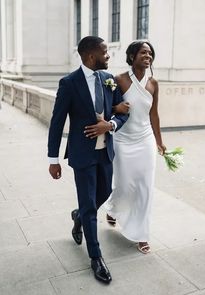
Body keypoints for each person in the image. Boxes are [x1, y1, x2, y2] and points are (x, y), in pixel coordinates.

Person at [47, 36, 128, 284]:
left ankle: (79, 216)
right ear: (91, 56)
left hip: (106, 152)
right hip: (82, 154)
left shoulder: (109, 80)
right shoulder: (69, 83)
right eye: (105, 52)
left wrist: (111, 124)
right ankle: (96, 257)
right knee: (90, 204)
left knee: (102, 194)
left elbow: (123, 111)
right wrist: (53, 158)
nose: (108, 56)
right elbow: (57, 121)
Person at [104, 41, 166, 254]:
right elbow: (107, 107)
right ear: (132, 56)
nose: (147, 56)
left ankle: (141, 234)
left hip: (145, 139)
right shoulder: (118, 80)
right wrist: (115, 107)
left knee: (145, 188)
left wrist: (159, 141)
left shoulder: (154, 83)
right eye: (143, 52)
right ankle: (113, 208)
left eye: (150, 53)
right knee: (124, 185)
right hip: (123, 139)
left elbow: (154, 115)